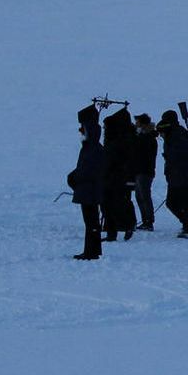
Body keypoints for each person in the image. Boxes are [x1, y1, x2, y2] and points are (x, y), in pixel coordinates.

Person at [68, 107, 106, 260]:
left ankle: (91, 251)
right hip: (89, 189)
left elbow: (88, 170)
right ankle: (92, 250)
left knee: (91, 222)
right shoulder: (91, 147)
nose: (80, 131)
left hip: (90, 190)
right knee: (91, 222)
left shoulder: (93, 148)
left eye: (82, 128)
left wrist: (74, 177)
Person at [156, 109, 188, 236]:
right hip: (177, 175)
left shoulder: (177, 135)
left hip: (183, 175)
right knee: (175, 203)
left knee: (177, 202)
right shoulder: (175, 133)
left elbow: (180, 155)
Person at [100, 107, 136, 241]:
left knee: (118, 203)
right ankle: (111, 232)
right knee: (107, 204)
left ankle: (127, 226)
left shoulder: (122, 140)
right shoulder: (118, 138)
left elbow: (121, 160)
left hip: (118, 177)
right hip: (111, 176)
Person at [132, 113, 159, 230]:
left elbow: (142, 153)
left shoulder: (148, 139)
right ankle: (145, 220)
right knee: (139, 196)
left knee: (144, 196)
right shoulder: (143, 137)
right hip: (140, 170)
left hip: (145, 171)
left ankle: (148, 221)